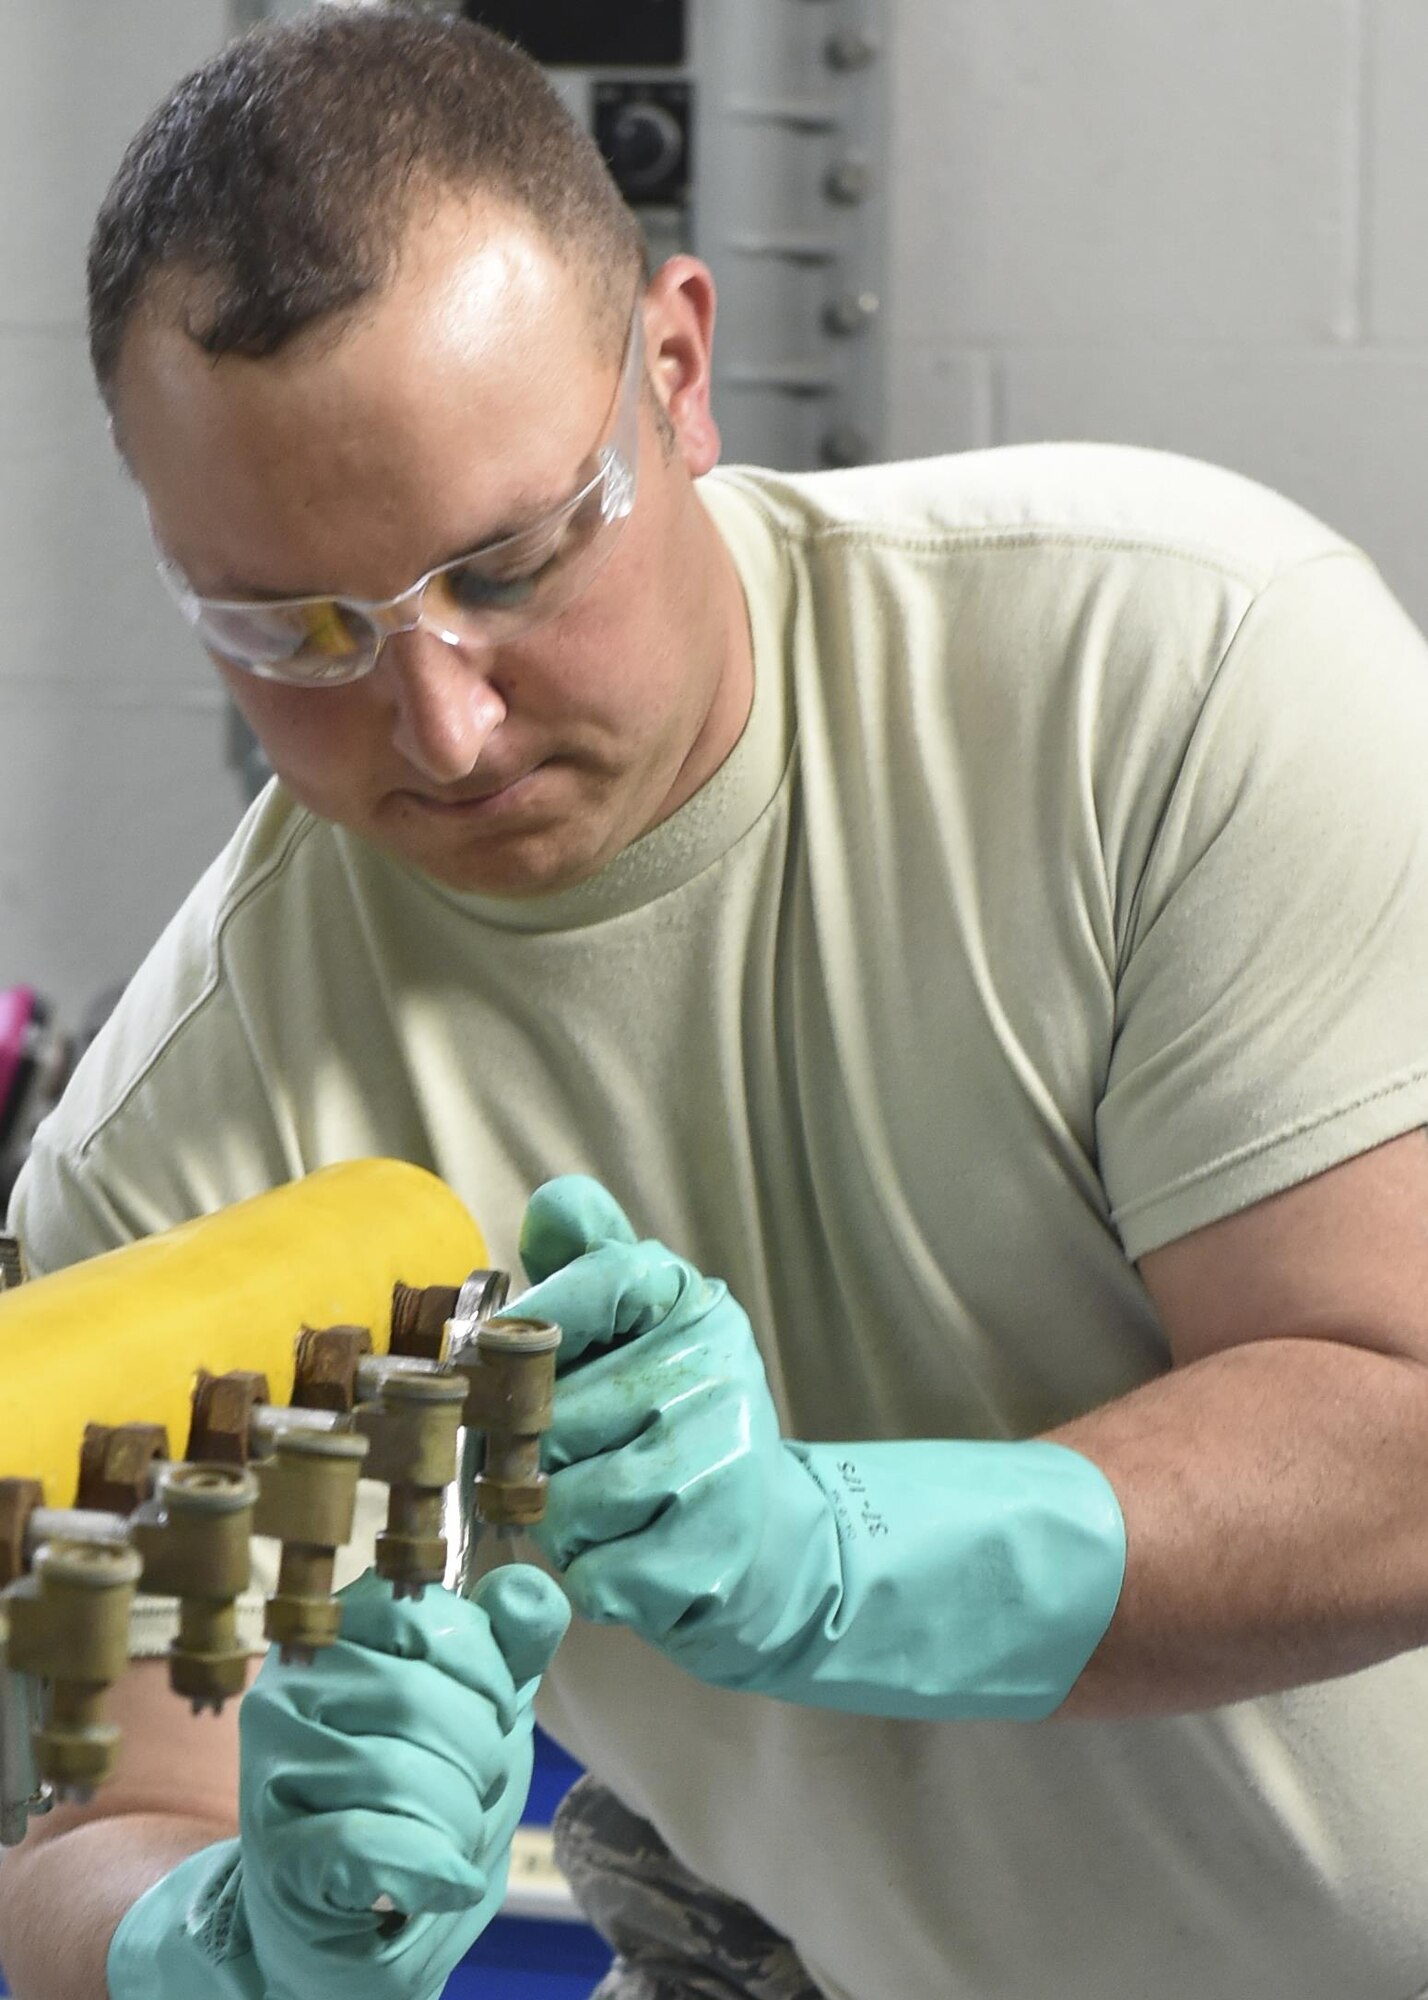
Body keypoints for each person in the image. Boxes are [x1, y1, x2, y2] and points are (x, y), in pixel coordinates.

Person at [4, 7, 1428, 1998]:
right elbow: (101, 1816)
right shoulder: (181, 1135)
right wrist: (208, 1932)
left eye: (502, 561)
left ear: (678, 370)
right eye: (291, 628)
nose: (438, 719)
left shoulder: (1167, 670)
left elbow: (1402, 1417)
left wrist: (836, 1552)